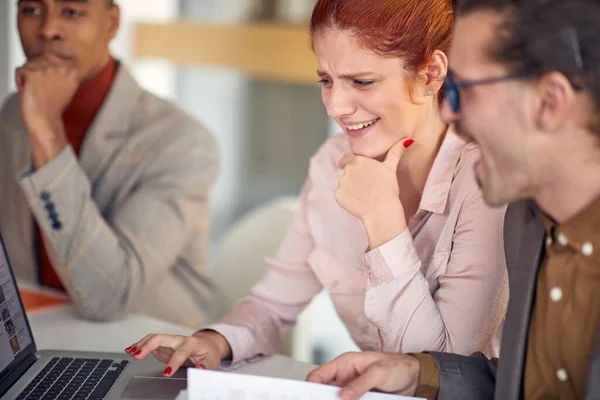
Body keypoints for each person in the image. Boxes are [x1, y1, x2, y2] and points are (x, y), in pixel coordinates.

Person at [126, 0, 511, 375]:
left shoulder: (488, 181)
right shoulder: (331, 163)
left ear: (430, 73)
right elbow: (272, 305)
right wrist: (212, 341)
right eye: (326, 80)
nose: (335, 106)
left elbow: (443, 369)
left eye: (362, 81)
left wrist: (384, 223)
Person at [306, 0, 600, 399]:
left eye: (464, 90)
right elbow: (523, 383)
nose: (449, 113)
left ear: (549, 101)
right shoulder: (526, 226)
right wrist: (418, 372)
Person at [0, 0, 219, 327]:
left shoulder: (183, 141)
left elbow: (108, 296)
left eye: (71, 12)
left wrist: (47, 132)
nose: (47, 30)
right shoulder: (11, 115)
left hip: (149, 345)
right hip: (43, 334)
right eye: (31, 10)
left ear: (112, 23)